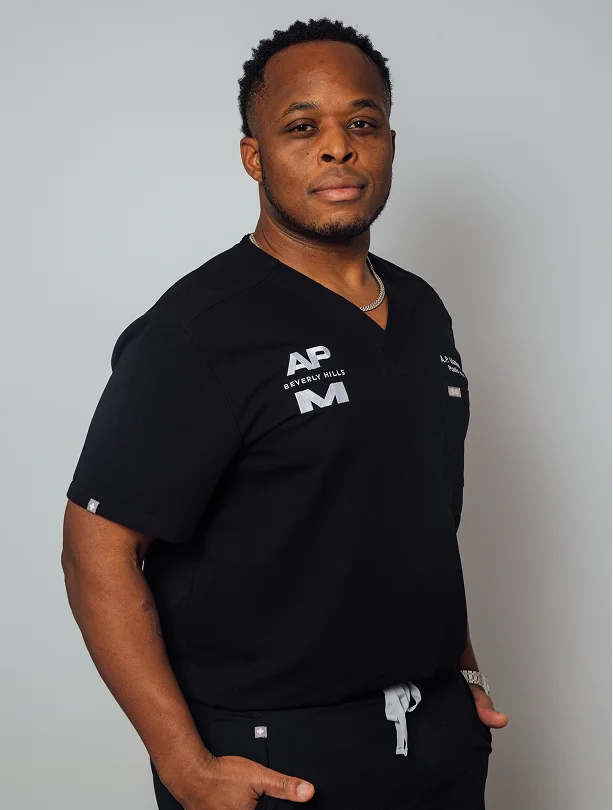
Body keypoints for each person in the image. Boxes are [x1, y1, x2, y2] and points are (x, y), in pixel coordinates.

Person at [62, 16, 508, 810]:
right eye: (302, 127)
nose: (337, 147)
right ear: (254, 156)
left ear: (390, 144)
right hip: (276, 759)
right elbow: (95, 554)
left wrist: (461, 672)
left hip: (435, 737)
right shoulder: (196, 332)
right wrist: (185, 766)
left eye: (360, 123)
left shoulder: (420, 309)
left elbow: (414, 512)